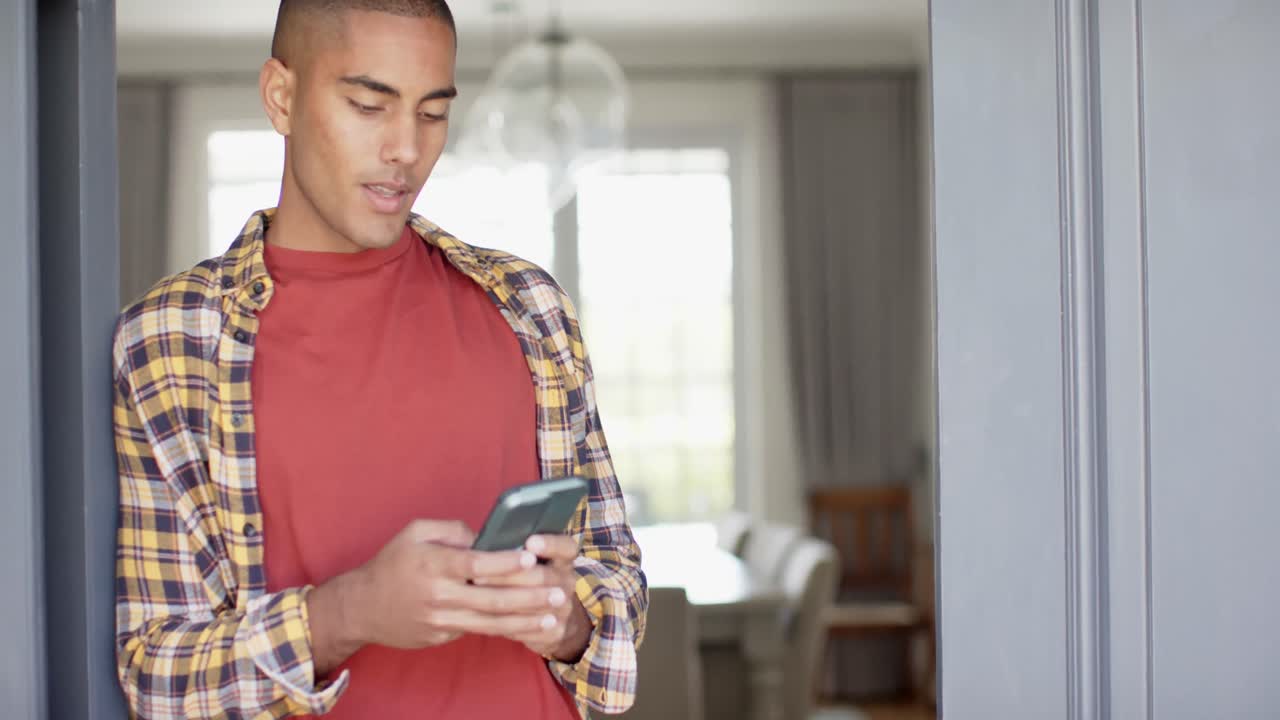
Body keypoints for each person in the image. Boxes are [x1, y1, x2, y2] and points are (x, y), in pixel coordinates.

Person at [110, 0, 646, 717]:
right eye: (369, 106)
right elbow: (156, 676)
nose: (406, 149)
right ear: (282, 96)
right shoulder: (170, 342)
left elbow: (618, 577)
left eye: (433, 113)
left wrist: (568, 621)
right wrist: (349, 612)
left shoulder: (530, 307)